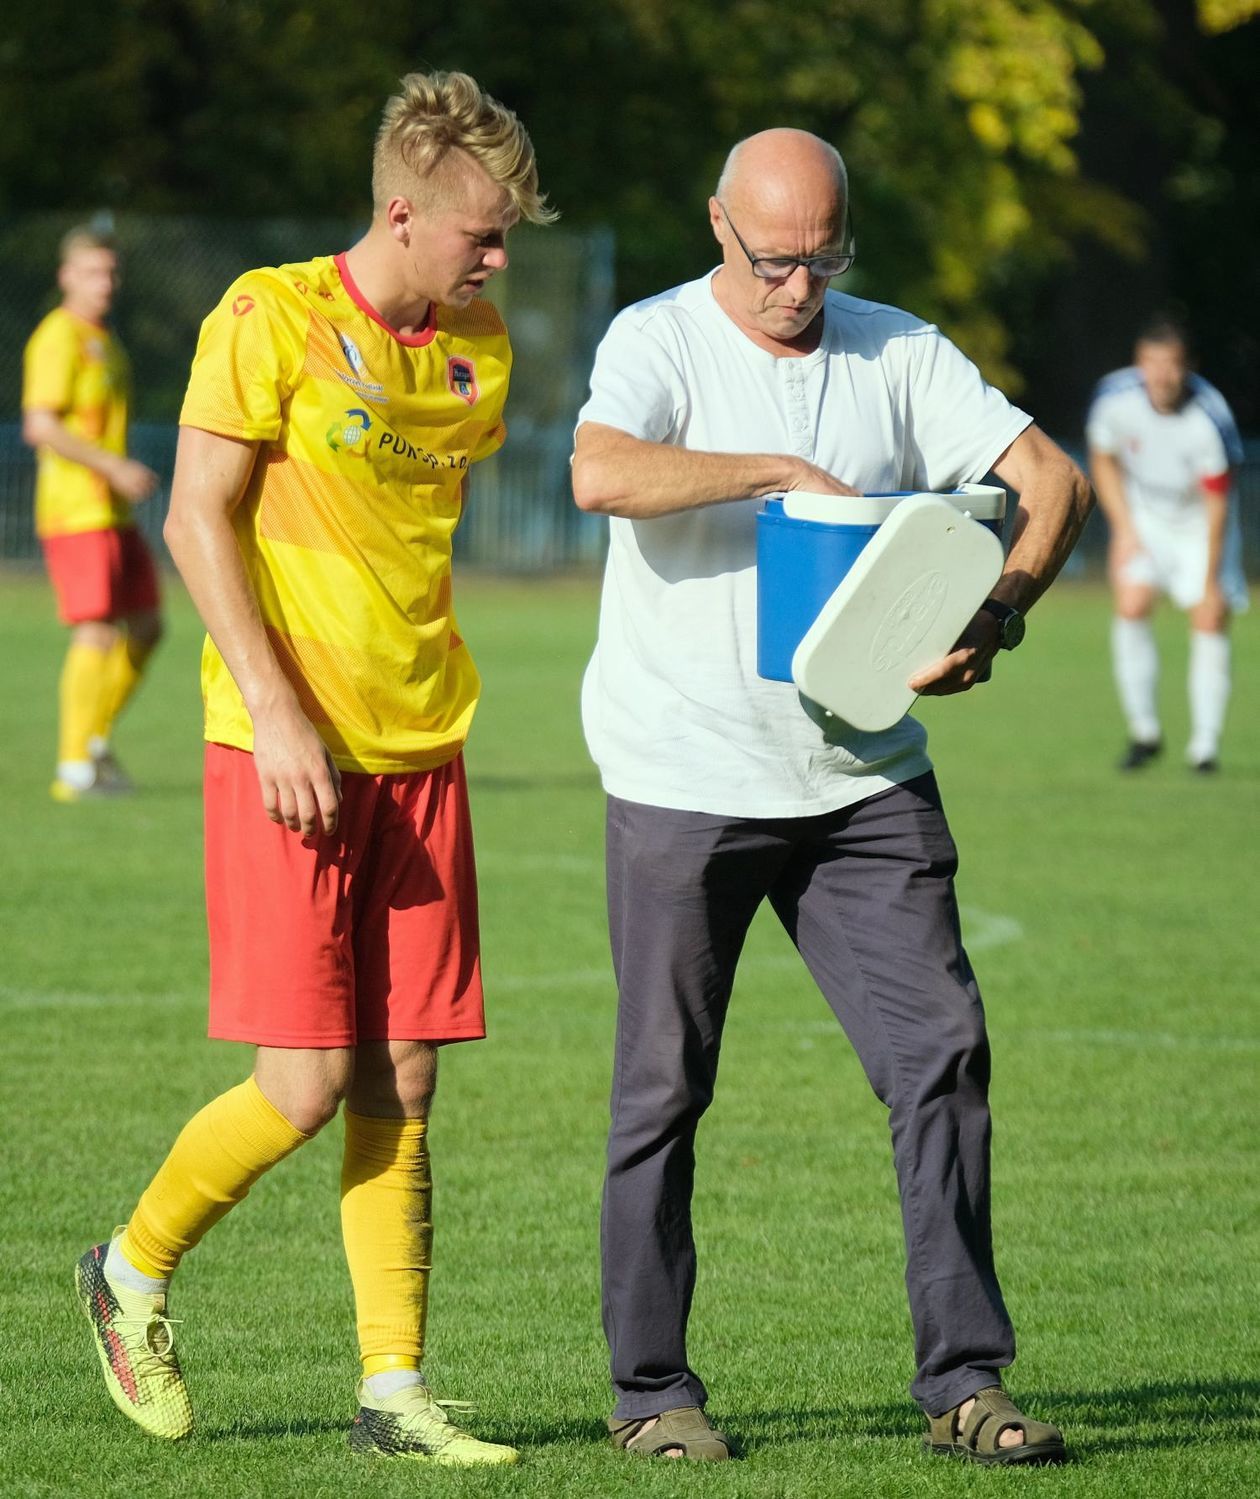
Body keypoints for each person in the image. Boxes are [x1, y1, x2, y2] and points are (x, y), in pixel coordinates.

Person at [571, 129, 1091, 1466]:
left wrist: (1000, 609)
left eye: (822, 256)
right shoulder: (660, 338)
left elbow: (1053, 481)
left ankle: (968, 1382)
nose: (799, 286)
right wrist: (773, 472)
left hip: (865, 780)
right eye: (772, 259)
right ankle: (651, 1390)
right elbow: (603, 472)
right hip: (683, 774)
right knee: (663, 1090)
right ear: (718, 223)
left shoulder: (897, 348)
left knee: (944, 1055)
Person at [74, 70, 554, 1465]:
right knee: (298, 1086)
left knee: (403, 1075)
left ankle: (394, 1391)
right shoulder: (265, 313)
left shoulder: (479, 348)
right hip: (284, 751)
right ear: (400, 209)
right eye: (481, 230)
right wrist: (279, 710)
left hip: (424, 750)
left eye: (510, 232)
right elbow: (198, 515)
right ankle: (131, 1269)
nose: (499, 256)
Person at [22, 226, 163, 801]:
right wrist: (111, 466)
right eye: (91, 272)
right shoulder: (57, 337)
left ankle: (94, 739)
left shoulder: (105, 340)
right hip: (77, 508)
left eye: (110, 272)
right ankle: (74, 765)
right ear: (66, 276)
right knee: (98, 629)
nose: (104, 283)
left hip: (114, 512)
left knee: (149, 626)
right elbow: (41, 425)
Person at [1087, 316, 1247, 773]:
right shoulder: (1114, 399)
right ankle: (1144, 732)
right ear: (1139, 365)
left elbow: (1218, 503)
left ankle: (1205, 747)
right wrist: (1124, 529)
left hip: (1201, 523)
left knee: (1208, 615)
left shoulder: (1209, 417)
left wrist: (1212, 577)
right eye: (1153, 364)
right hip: (1146, 516)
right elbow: (1103, 458)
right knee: (1133, 603)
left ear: (1188, 367)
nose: (1162, 375)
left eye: (1172, 365)